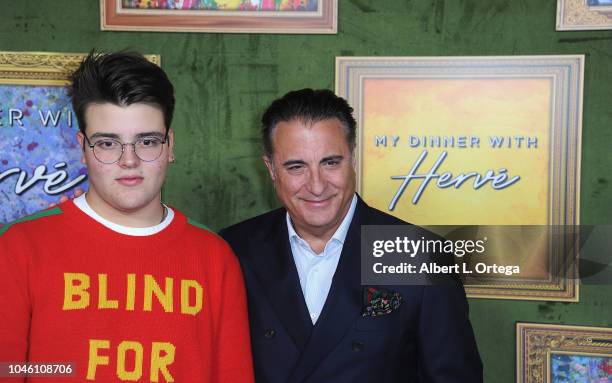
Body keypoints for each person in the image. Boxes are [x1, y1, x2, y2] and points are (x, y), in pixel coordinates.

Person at [0, 51, 254, 383]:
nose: (129, 160)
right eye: (108, 143)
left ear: (170, 145)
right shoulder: (20, 247)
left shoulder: (214, 257)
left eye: (147, 141)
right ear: (82, 148)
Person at [220, 88, 483, 383]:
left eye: (331, 162)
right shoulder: (234, 250)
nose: (317, 186)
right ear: (270, 169)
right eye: (296, 167)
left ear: (353, 157)